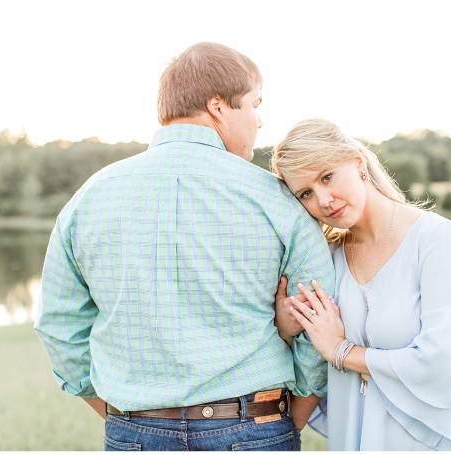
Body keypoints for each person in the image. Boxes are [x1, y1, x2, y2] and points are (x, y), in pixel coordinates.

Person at [34, 43, 334, 451]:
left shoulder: (89, 198)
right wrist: (289, 421)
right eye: (254, 105)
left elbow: (59, 326)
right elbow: (318, 318)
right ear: (218, 107)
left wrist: (124, 414)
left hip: (134, 431)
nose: (260, 121)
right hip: (255, 428)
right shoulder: (276, 200)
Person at [271, 118, 451, 450]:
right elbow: (306, 362)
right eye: (306, 193)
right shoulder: (327, 260)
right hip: (357, 438)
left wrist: (341, 351)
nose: (323, 200)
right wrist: (285, 327)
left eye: (327, 176)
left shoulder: (437, 239)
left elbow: (447, 361)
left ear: (357, 161)